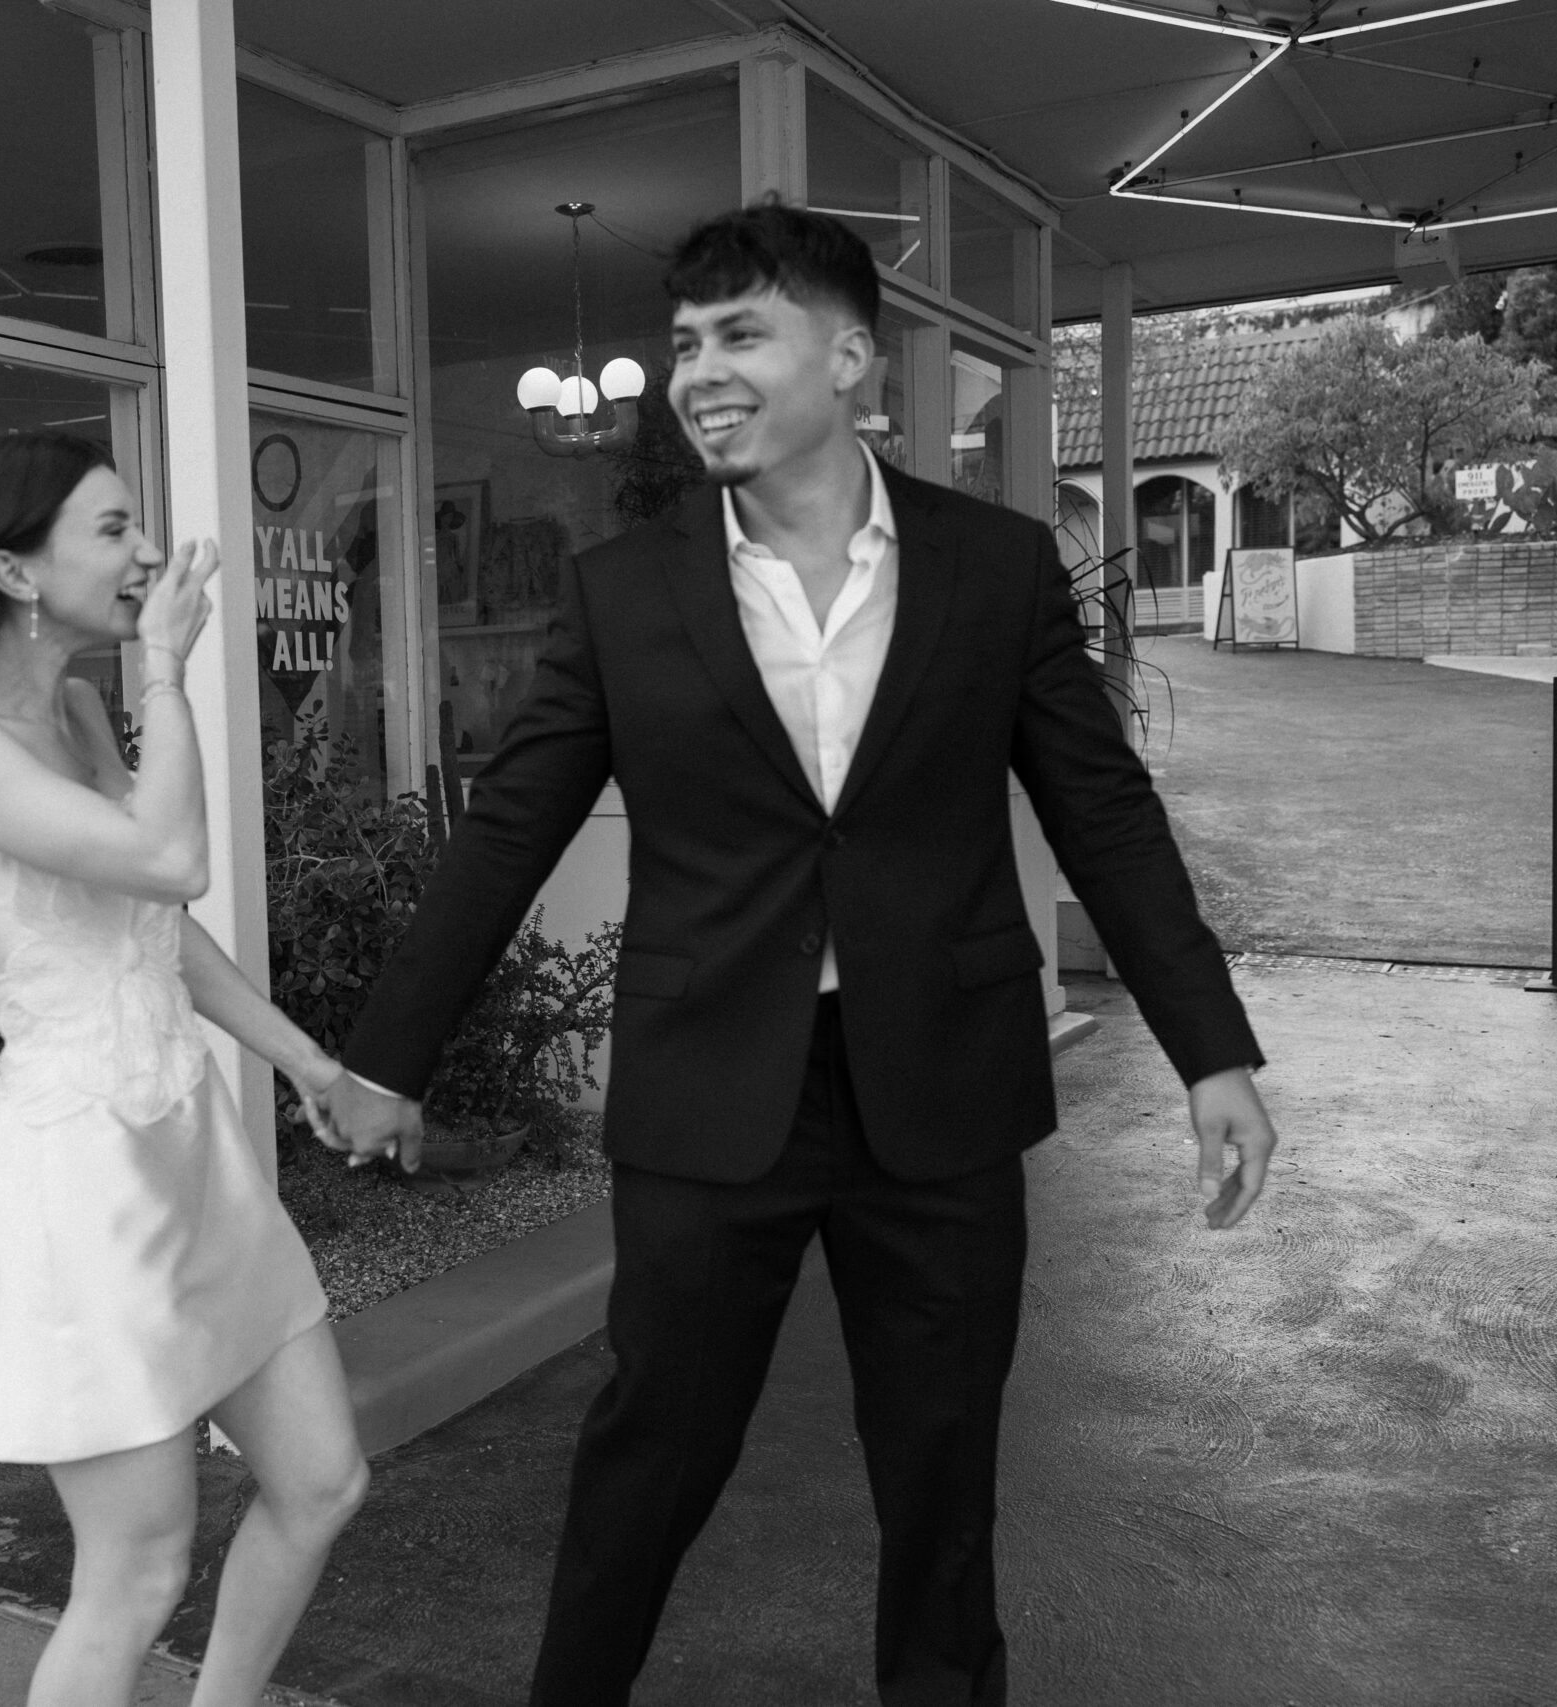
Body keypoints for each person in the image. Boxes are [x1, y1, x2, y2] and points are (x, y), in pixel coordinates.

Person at [323, 204, 1280, 1706]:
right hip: (713, 1094)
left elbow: (1104, 810)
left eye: (740, 334)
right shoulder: (625, 592)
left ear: (849, 359)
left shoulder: (997, 568)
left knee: (943, 1472)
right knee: (650, 1457)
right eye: (686, 340)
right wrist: (385, 1054)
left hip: (943, 1095)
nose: (698, 368)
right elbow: (508, 831)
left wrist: (1209, 1050)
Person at [0, 433, 364, 1707]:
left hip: (191, 1155)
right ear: (17, 573)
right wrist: (169, 672)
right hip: (79, 1184)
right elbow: (170, 859)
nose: (144, 554)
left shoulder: (71, 707)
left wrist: (303, 1058)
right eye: (114, 529)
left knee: (323, 1481)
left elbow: (155, 930)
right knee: (133, 1573)